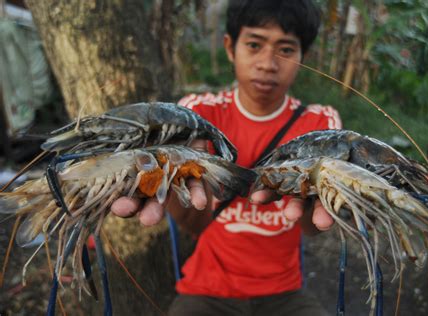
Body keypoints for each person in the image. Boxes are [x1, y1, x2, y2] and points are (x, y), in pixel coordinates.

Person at [112, 1, 341, 314]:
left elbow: (314, 226)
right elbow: (195, 224)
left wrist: (331, 199)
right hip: (207, 288)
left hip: (284, 291)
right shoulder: (198, 114)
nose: (267, 63)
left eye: (285, 50)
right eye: (254, 45)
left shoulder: (320, 125)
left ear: (304, 57)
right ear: (230, 47)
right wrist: (168, 186)